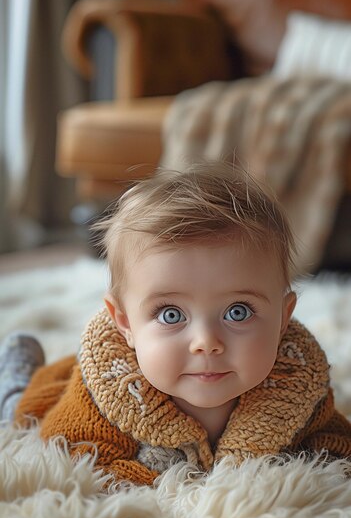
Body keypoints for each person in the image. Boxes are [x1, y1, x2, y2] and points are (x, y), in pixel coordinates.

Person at [2, 161, 351, 485]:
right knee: (21, 410)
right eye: (171, 314)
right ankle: (17, 376)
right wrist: (155, 480)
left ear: (282, 319)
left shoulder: (298, 386)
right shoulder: (107, 390)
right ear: (124, 323)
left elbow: (336, 444)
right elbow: (74, 452)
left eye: (238, 311)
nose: (206, 342)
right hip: (53, 394)